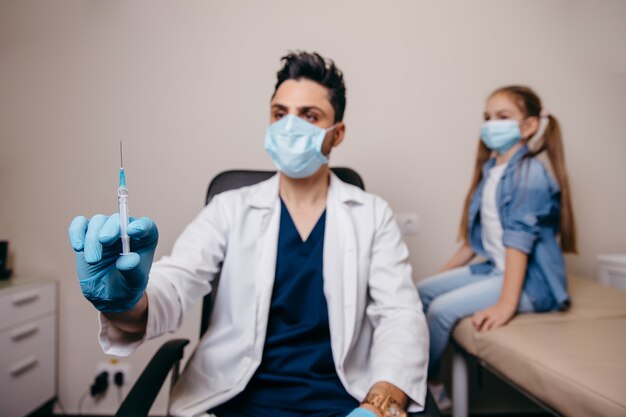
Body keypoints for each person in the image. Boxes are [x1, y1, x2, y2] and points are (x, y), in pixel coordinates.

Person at [68, 51, 429, 417]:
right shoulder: (229, 208)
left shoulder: (371, 215)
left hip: (340, 401)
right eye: (279, 113)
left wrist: (380, 400)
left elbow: (400, 314)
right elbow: (177, 281)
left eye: (309, 115)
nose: (290, 126)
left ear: (337, 135)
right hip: (236, 399)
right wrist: (125, 301)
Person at [416, 85, 577, 410]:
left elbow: (518, 243)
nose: (491, 124)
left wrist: (506, 304)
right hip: (494, 270)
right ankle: (424, 379)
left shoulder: (529, 174)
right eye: (487, 117)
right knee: (420, 292)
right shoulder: (492, 172)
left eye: (503, 117)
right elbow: (475, 243)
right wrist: (440, 277)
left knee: (441, 311)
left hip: (531, 284)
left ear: (529, 126)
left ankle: (427, 387)